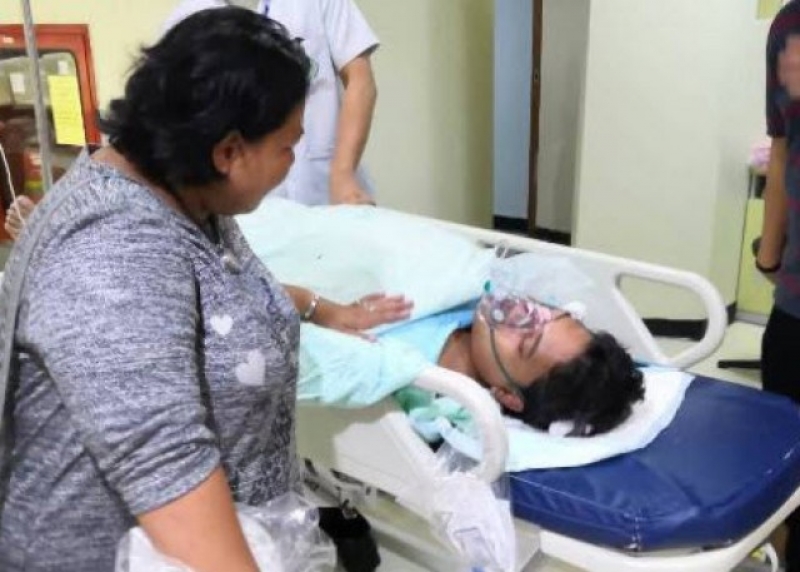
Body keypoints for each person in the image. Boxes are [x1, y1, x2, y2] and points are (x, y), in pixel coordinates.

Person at [0, 9, 408, 572]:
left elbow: (218, 296)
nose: (292, 163)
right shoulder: (113, 245)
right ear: (229, 152)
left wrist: (321, 308)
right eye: (287, 147)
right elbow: (164, 464)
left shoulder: (190, 198)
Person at [165, 0, 379, 206]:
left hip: (328, 189)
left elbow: (360, 80)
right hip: (243, 204)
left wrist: (343, 174)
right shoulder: (189, 16)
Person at [384, 288, 645, 436]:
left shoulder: (405, 373)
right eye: (547, 313)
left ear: (508, 395)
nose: (522, 312)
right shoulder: (466, 298)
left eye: (525, 341)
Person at [758, 2, 800, 570]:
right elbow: (783, 145)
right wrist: (769, 256)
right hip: (795, 304)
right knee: (781, 455)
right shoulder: (790, 25)